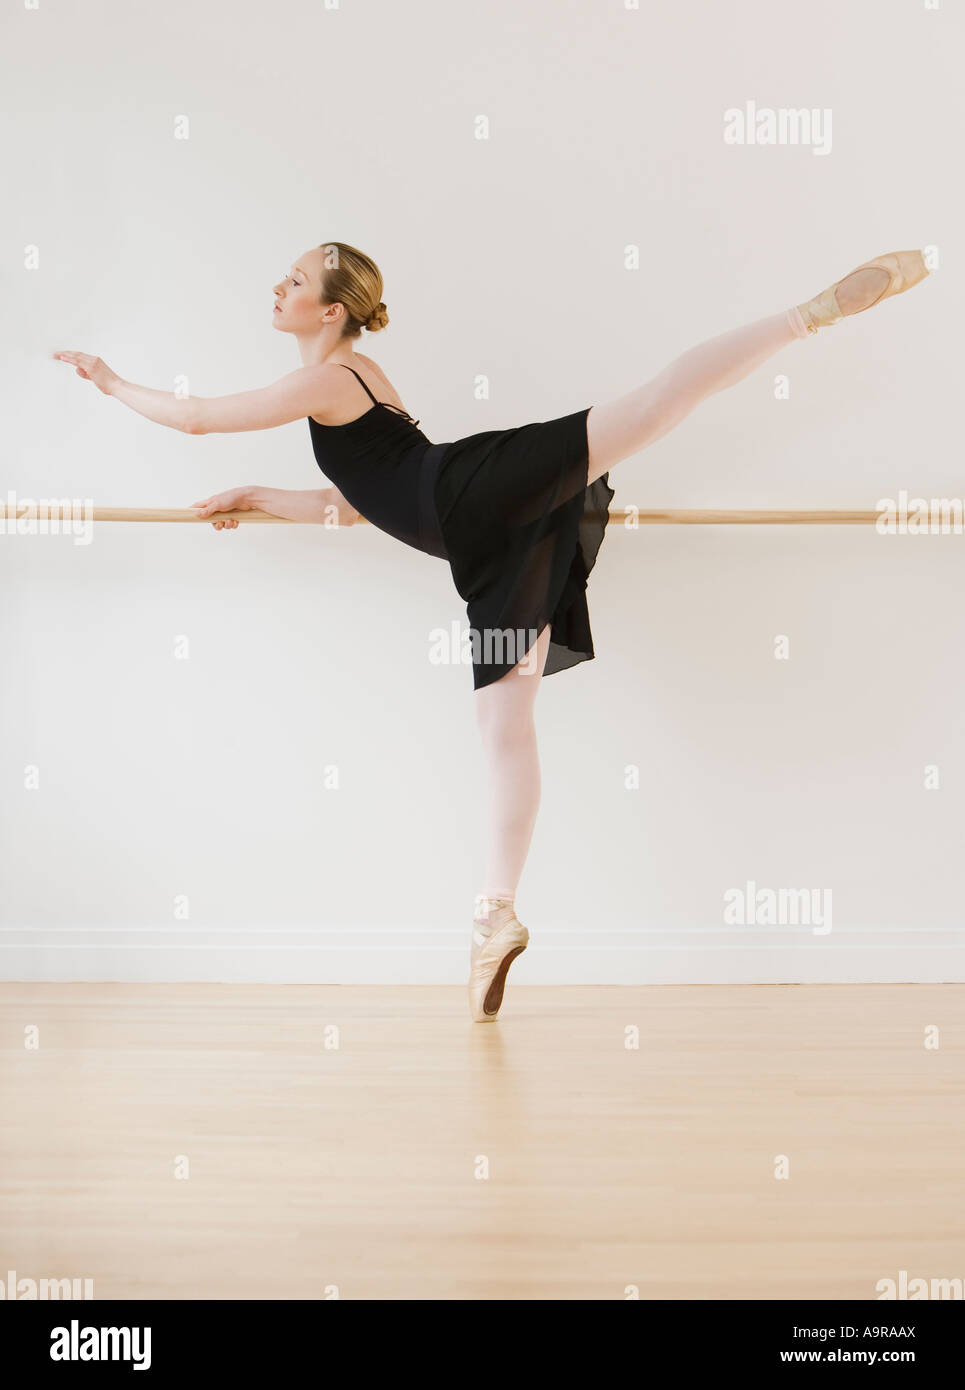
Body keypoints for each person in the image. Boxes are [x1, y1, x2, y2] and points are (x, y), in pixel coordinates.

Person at [52, 241, 931, 1022]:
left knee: (654, 406)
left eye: (293, 279)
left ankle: (807, 315)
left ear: (331, 311)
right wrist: (259, 497)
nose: (274, 286)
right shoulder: (356, 385)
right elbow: (358, 507)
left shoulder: (328, 375)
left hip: (480, 495)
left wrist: (111, 380)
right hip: (496, 542)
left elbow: (199, 416)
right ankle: (492, 915)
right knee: (503, 728)